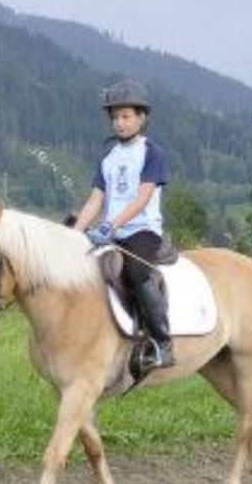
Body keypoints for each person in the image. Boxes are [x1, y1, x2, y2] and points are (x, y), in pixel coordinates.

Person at [71, 78, 176, 375]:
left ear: (142, 118)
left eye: (126, 116)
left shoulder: (151, 152)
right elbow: (95, 199)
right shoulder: (108, 156)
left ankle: (162, 342)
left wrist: (111, 224)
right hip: (111, 232)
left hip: (142, 232)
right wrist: (75, 233)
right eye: (115, 117)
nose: (120, 123)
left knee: (136, 271)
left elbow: (143, 199)